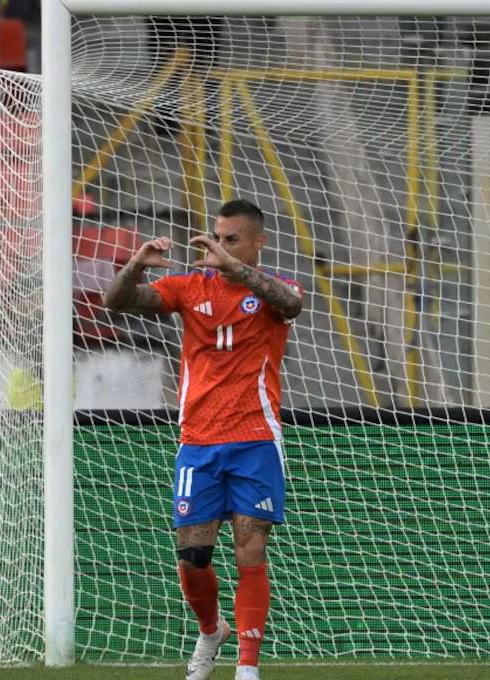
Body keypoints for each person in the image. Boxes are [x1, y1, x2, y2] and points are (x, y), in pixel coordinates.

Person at [103, 199, 305, 680]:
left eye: (230, 239)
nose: (217, 246)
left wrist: (234, 267)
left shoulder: (277, 292)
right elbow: (115, 302)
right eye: (216, 236)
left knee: (250, 549)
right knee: (194, 559)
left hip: (255, 438)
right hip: (198, 441)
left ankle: (247, 667)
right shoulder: (189, 288)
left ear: (259, 241)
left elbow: (292, 304)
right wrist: (134, 264)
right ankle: (211, 631)